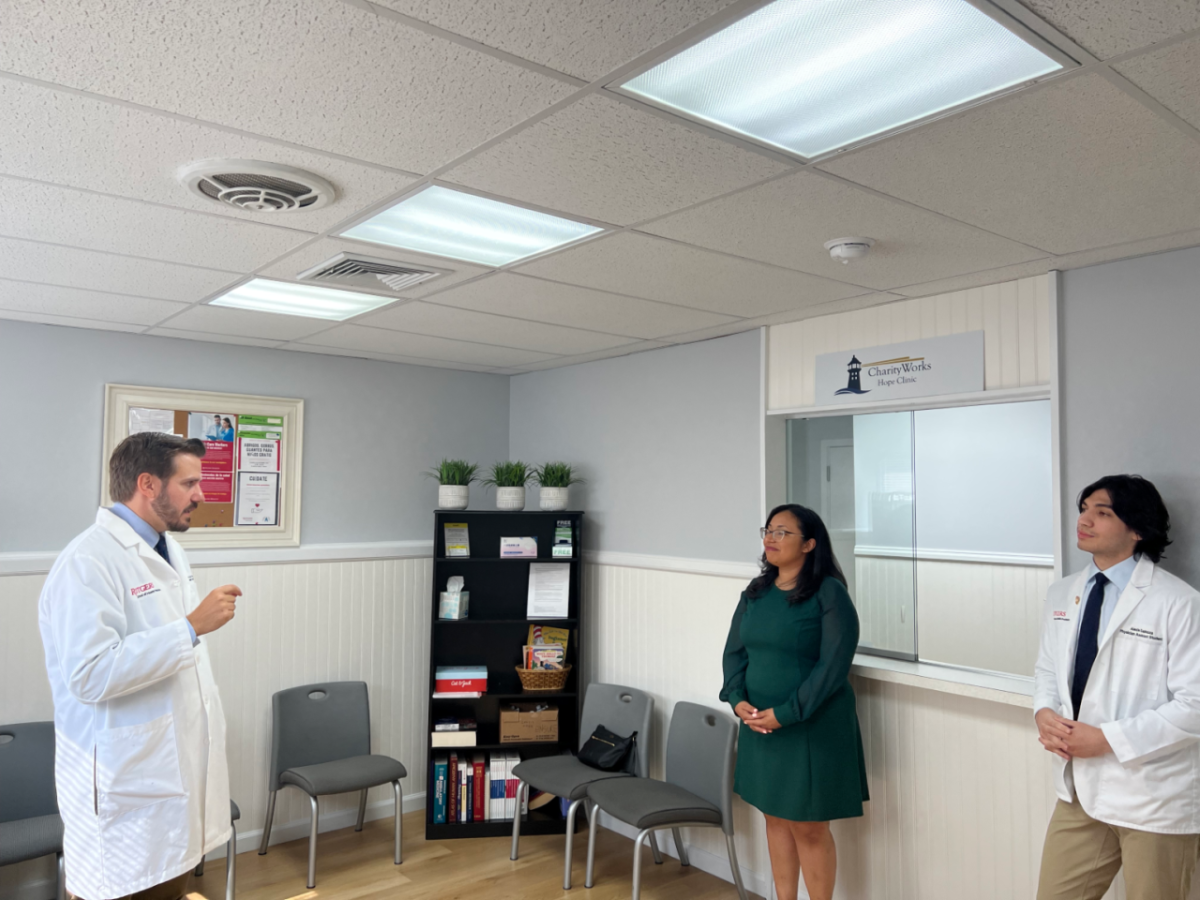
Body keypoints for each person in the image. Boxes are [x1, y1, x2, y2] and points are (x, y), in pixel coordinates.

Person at [38, 432, 244, 900]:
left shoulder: (166, 548)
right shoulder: (87, 562)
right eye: (189, 483)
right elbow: (89, 674)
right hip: (124, 788)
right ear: (147, 484)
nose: (201, 495)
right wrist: (189, 628)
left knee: (168, 887)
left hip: (169, 781)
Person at [1034, 475, 1200, 900]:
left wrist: (1108, 739)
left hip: (1153, 795)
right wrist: (1044, 713)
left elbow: (1195, 704)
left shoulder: (1178, 603)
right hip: (1080, 792)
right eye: (1084, 508)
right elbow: (1048, 672)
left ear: (1137, 529)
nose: (1085, 520)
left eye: (1102, 512)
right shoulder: (1061, 593)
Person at [720, 503, 868, 900]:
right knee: (775, 818)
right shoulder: (756, 592)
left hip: (810, 727)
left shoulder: (828, 593)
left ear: (810, 544)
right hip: (759, 726)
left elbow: (833, 665)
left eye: (782, 532)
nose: (771, 538)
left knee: (809, 825)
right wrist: (737, 700)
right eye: (768, 530)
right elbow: (735, 652)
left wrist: (786, 714)